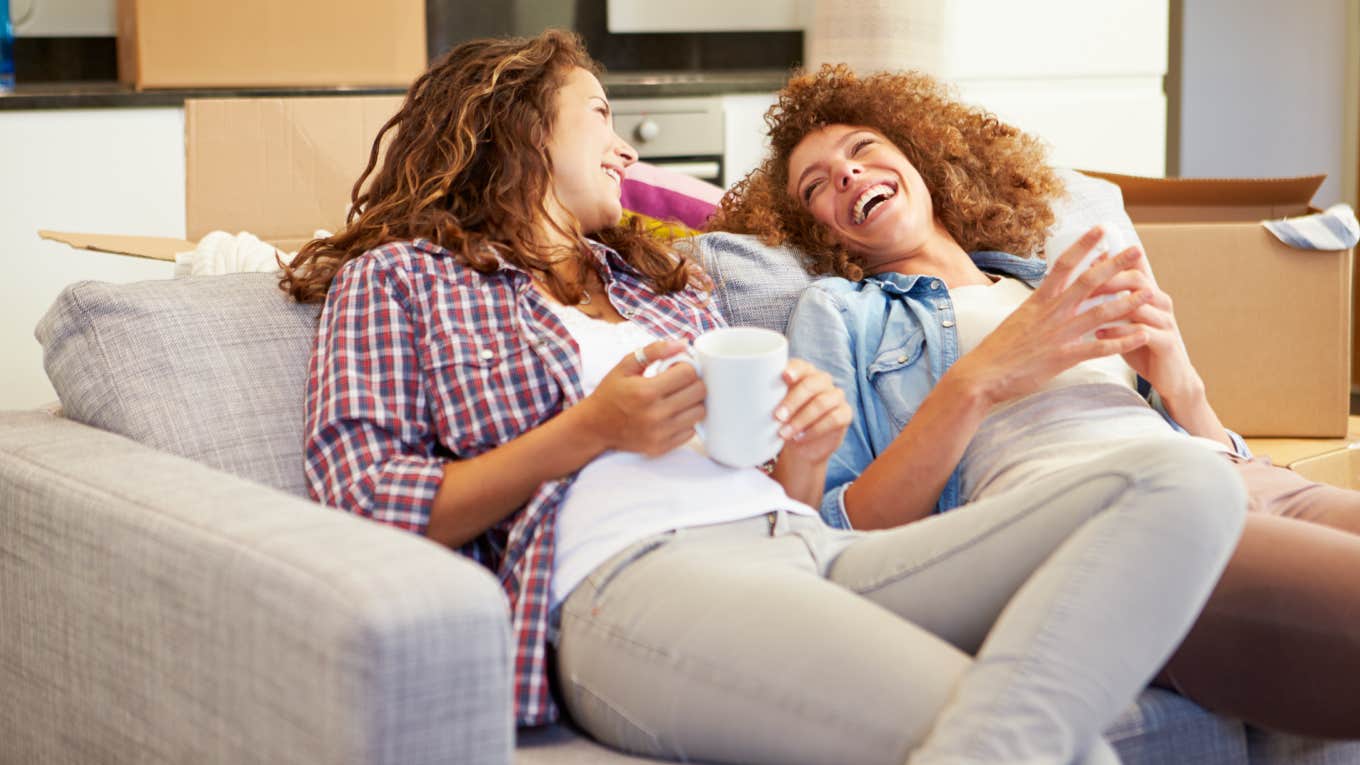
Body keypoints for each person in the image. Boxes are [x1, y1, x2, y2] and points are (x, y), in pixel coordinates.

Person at [281, 32, 1245, 764]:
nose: (623, 150)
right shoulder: (401, 278)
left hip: (800, 545)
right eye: (601, 116)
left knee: (1181, 486)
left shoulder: (658, 284)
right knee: (1049, 739)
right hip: (627, 579)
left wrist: (805, 453)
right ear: (520, 125)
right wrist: (585, 432)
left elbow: (778, 491)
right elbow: (363, 500)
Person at [710, 63, 1360, 739]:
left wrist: (1182, 384)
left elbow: (1192, 441)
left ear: (921, 159)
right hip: (1110, 518)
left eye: (862, 148)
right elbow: (837, 529)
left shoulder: (1042, 278)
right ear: (818, 230)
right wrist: (980, 379)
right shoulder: (839, 312)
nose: (844, 173)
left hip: (1239, 479)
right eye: (815, 184)